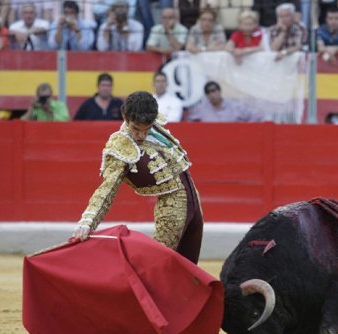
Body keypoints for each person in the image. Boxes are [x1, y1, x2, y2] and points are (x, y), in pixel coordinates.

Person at [72, 91, 203, 264]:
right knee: (159, 263)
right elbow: (107, 188)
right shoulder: (121, 146)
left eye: (146, 130)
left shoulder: (155, 125)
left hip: (193, 199)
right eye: (136, 129)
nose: (141, 135)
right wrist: (87, 222)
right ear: (125, 118)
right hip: (172, 207)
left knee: (188, 261)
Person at [187, 80, 262, 122]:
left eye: (213, 91)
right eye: (208, 92)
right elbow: (188, 122)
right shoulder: (202, 109)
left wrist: (246, 130)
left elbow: (257, 115)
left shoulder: (234, 106)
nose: (211, 94)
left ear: (219, 91)